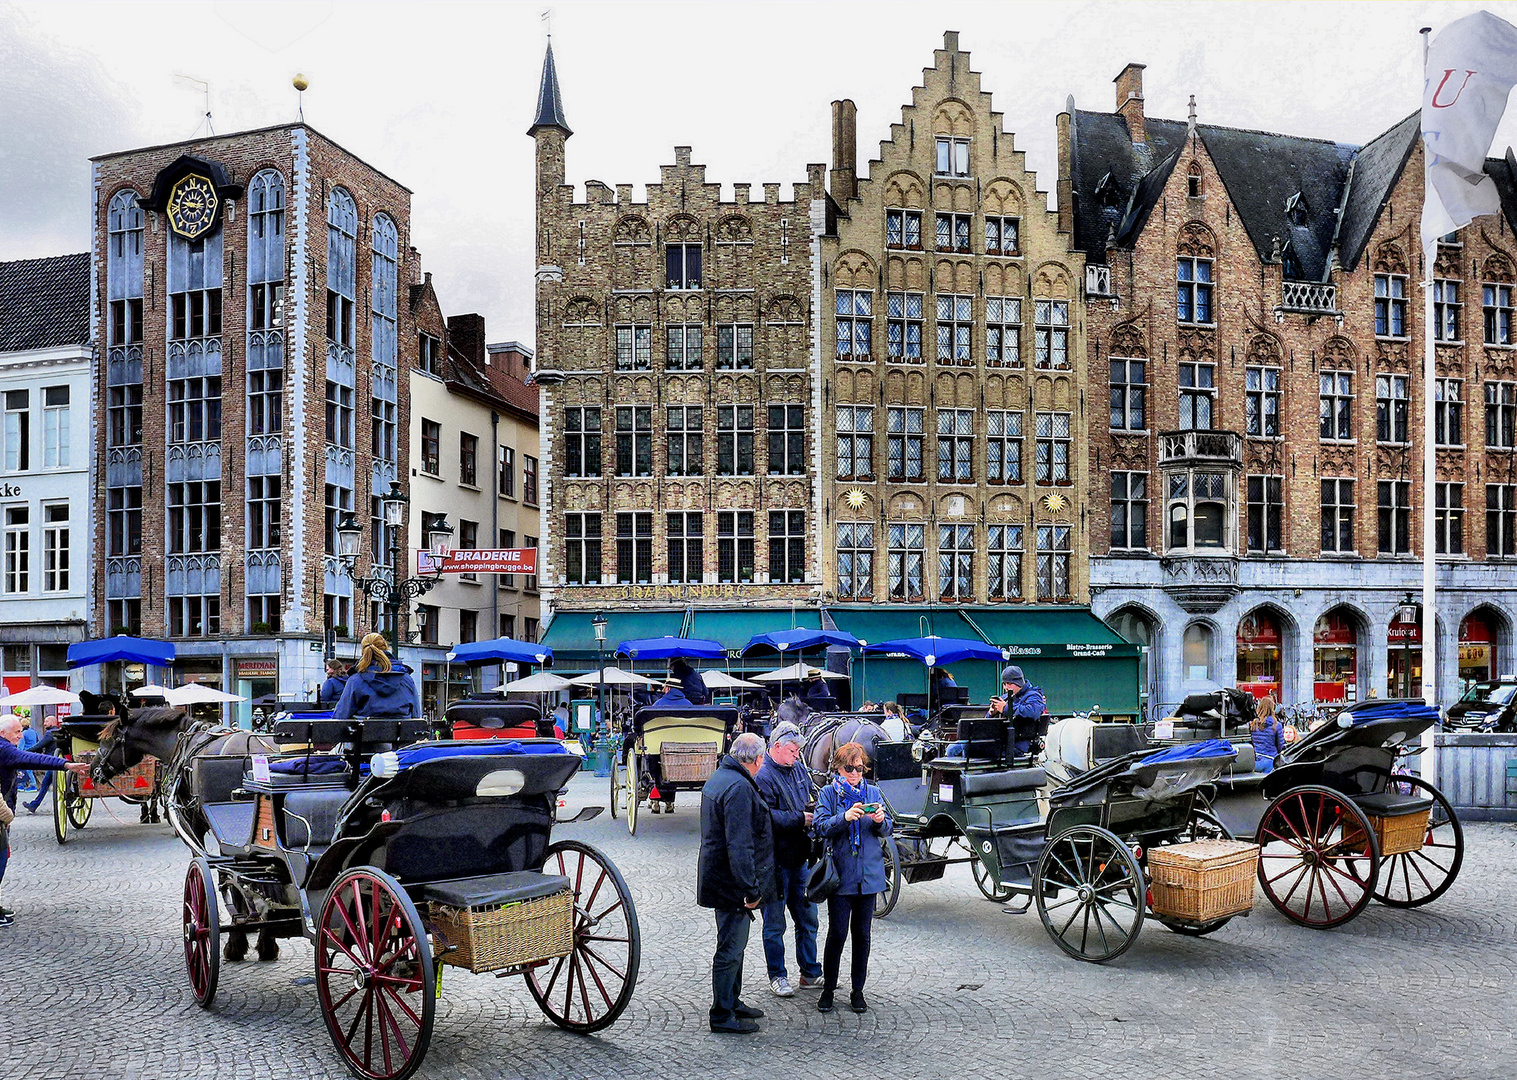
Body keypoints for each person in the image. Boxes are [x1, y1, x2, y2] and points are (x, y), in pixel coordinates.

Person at [697, 731, 775, 1034]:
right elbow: (739, 845)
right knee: (730, 948)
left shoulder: (721, 777)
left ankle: (732, 1000)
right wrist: (751, 889)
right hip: (731, 885)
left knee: (733, 945)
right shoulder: (739, 787)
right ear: (757, 759)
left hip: (719, 878)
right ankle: (722, 1013)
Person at [813, 740, 892, 1015]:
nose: (856, 774)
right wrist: (844, 817)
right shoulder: (828, 794)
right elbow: (820, 827)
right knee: (836, 934)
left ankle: (857, 990)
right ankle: (828, 989)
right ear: (838, 767)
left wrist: (881, 820)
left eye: (860, 768)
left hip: (868, 876)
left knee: (863, 935)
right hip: (841, 875)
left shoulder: (873, 792)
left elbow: (888, 830)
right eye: (850, 768)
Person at [754, 721, 822, 998]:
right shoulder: (763, 776)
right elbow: (764, 817)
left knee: (808, 917)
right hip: (775, 861)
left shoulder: (798, 769)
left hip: (800, 857)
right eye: (793, 750)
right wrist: (800, 819)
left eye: (798, 751)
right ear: (777, 747)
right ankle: (778, 975)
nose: (797, 755)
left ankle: (809, 972)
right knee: (774, 922)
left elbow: (809, 795)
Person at [1, 714, 90, 925]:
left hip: (4, 814)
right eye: (17, 732)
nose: (21, 735)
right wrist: (65, 765)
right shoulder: (4, 749)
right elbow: (33, 759)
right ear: (3, 733)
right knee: (0, 859)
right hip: (1, 815)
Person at [332, 633, 422, 719]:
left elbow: (340, 717)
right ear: (386, 648)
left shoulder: (355, 681)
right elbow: (416, 716)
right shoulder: (407, 679)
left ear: (363, 652)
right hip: (402, 734)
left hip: (365, 734)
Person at [987, 665, 1048, 757]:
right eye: (1004, 684)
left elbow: (1032, 712)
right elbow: (986, 723)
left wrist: (1005, 708)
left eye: (1009, 683)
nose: (1006, 687)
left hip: (1018, 745)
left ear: (1019, 682)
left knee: (965, 747)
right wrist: (991, 714)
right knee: (959, 746)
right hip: (1001, 741)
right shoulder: (1005, 697)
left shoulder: (1033, 696)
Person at [1250, 694, 1286, 773]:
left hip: (1255, 760)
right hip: (1270, 760)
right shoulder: (1276, 725)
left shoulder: (1253, 724)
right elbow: (1280, 746)